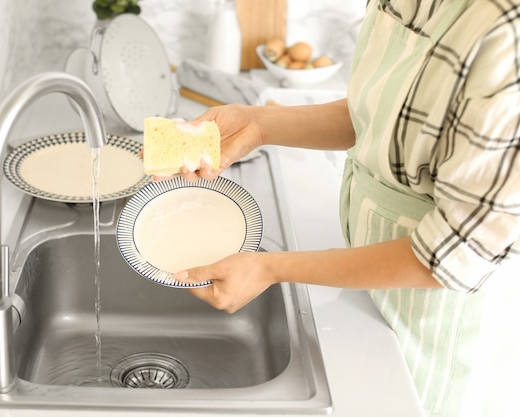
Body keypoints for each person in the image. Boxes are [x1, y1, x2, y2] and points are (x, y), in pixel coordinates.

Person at [158, 0, 520, 416]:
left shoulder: (507, 33)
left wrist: (268, 268)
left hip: (439, 322)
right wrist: (256, 124)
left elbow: (448, 258)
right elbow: (377, 118)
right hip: (367, 284)